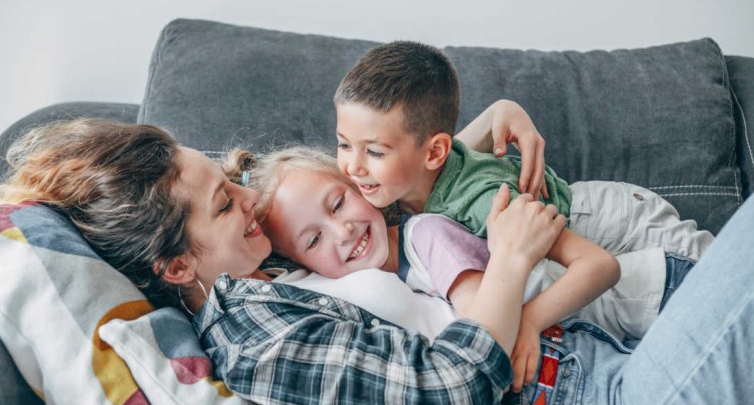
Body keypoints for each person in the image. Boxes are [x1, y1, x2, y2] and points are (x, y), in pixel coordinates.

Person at [0, 115, 754, 405]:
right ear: (175, 267)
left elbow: (380, 202)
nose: (245, 203)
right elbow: (455, 391)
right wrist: (504, 260)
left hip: (612, 360)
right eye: (225, 204)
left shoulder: (272, 273)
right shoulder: (257, 339)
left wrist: (489, 114)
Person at [331, 41, 715, 387]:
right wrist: (501, 110)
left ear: (434, 152)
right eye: (344, 145)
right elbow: (444, 151)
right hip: (593, 232)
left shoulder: (484, 203)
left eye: (374, 152)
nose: (353, 166)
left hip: (623, 225)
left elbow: (599, 266)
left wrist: (530, 320)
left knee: (741, 311)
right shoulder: (408, 182)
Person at [249, 146, 692, 391]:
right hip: (618, 324)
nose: (341, 230)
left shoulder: (426, 238)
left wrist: (529, 323)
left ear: (362, 188)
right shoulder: (374, 279)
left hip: (646, 292)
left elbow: (482, 331)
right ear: (303, 265)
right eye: (313, 239)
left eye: (339, 202)